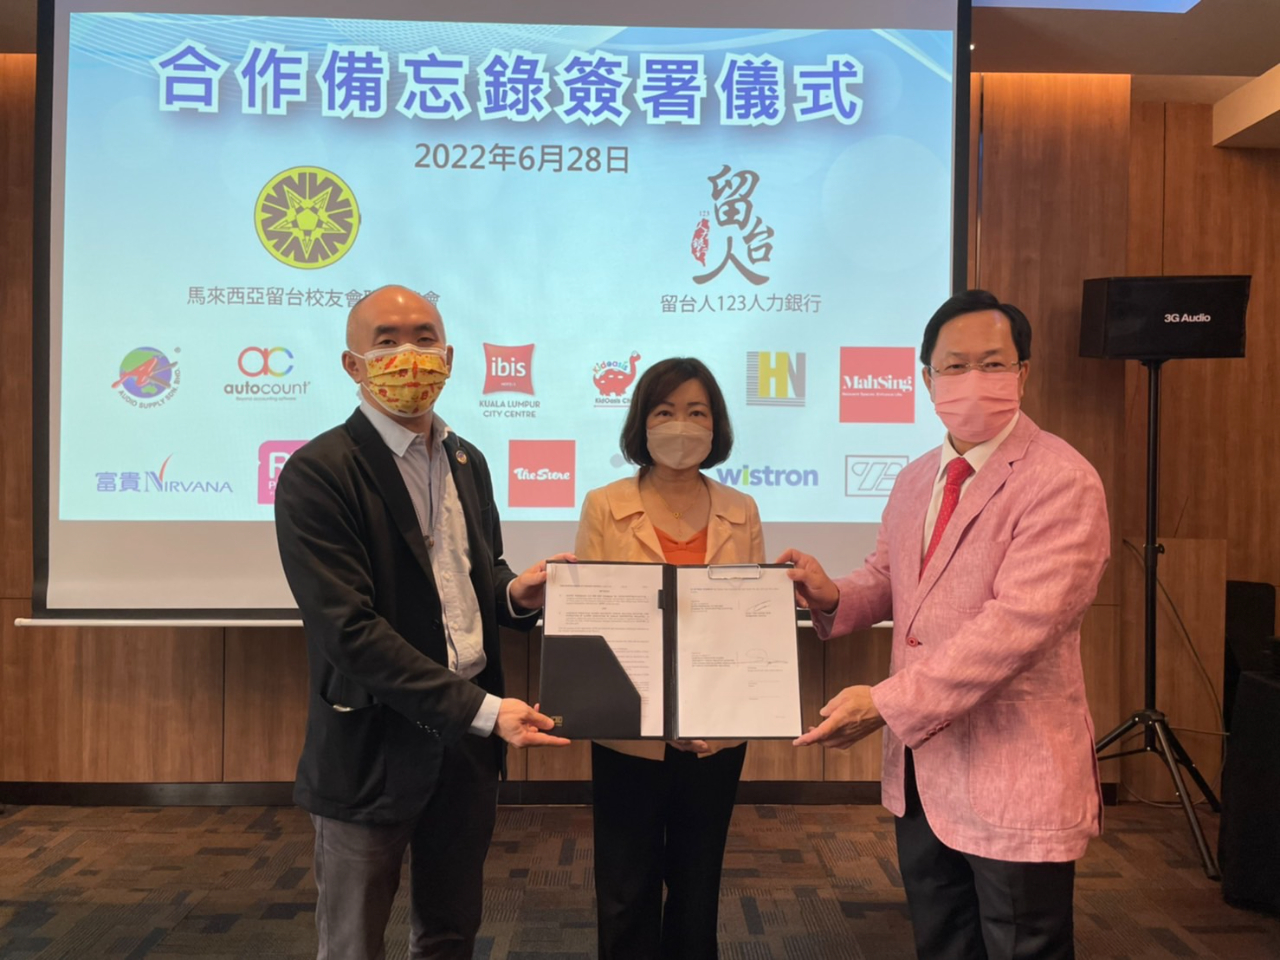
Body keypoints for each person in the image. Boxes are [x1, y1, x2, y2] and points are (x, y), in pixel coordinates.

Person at [779, 290, 1109, 960]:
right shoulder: (915, 479)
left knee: (1022, 944)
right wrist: (831, 592)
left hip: (1013, 771)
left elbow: (1018, 626)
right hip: (924, 774)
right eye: (954, 366)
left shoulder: (1061, 479)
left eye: (993, 363)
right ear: (927, 377)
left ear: (1023, 373)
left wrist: (886, 703)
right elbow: (891, 578)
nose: (973, 380)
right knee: (943, 940)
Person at [273, 284, 571, 960]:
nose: (409, 355)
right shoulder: (319, 472)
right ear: (353, 364)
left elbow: (470, 577)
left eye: (424, 338)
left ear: (450, 357)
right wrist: (483, 711)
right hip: (374, 744)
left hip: (465, 749)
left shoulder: (467, 460)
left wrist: (515, 594)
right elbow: (349, 631)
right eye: (387, 341)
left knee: (450, 932)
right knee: (353, 941)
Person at [575, 357, 765, 960]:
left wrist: (708, 709)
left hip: (716, 730)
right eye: (665, 411)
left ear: (716, 426)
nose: (681, 424)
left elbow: (749, 627)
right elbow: (596, 626)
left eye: (696, 412)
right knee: (624, 886)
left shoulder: (743, 509)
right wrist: (661, 715)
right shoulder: (603, 505)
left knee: (697, 883)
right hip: (629, 729)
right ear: (642, 423)